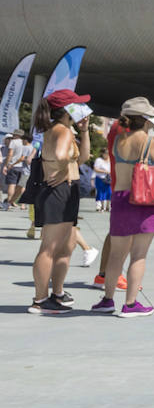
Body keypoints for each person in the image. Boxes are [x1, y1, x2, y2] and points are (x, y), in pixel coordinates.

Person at [91, 97, 154, 317]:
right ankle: (130, 304)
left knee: (116, 255)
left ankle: (107, 300)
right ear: (147, 118)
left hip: (120, 198)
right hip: (144, 200)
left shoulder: (119, 140)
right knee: (139, 255)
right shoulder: (152, 142)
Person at [27, 89, 91, 315]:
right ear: (68, 109)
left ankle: (55, 293)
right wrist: (64, 170)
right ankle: (40, 300)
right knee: (49, 248)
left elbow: (82, 158)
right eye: (77, 105)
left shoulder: (60, 129)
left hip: (65, 191)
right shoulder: (62, 131)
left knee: (66, 246)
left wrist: (84, 132)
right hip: (59, 191)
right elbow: (62, 156)